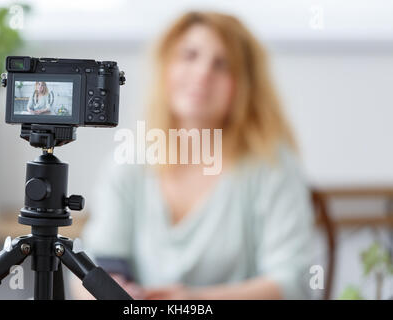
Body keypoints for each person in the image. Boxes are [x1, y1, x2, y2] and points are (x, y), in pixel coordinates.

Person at [72, 11, 314, 300]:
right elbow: (94, 267)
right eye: (189, 55)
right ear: (167, 67)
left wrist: (190, 302)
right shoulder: (129, 162)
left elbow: (292, 284)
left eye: (222, 64)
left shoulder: (272, 166)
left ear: (244, 84)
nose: (203, 72)